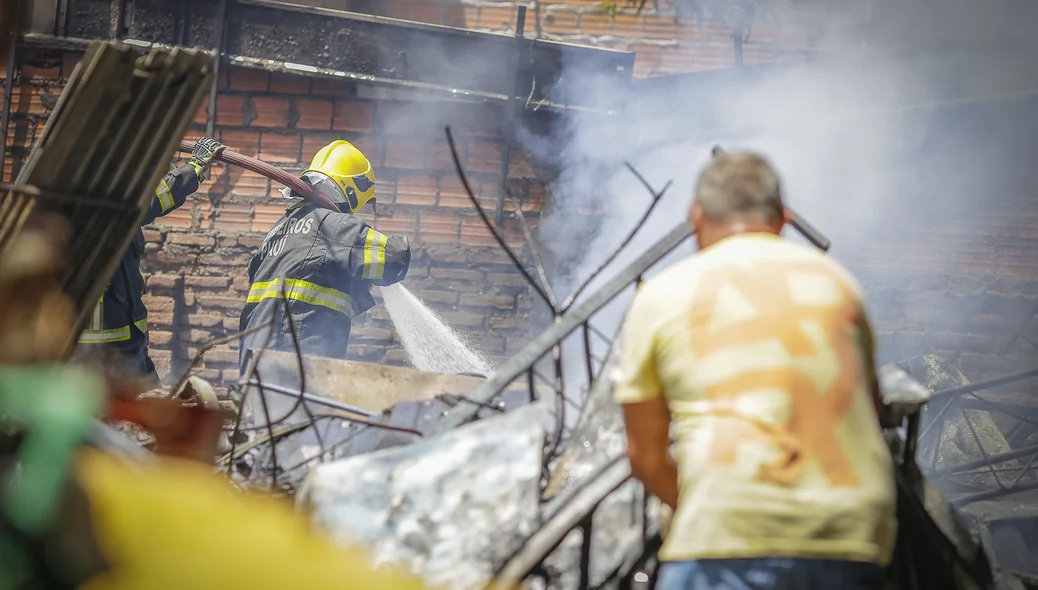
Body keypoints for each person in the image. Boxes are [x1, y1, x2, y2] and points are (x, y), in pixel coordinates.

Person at [615, 151, 896, 590]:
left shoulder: (663, 293)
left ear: (696, 217)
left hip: (725, 543)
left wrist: (701, 510)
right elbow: (872, 409)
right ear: (783, 219)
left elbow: (644, 455)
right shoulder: (839, 283)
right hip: (851, 535)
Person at [238, 140, 411, 373]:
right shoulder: (334, 225)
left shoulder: (278, 231)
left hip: (254, 360)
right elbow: (394, 258)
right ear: (352, 189)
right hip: (297, 362)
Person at [76, 137, 225, 385]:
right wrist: (193, 168)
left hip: (124, 338)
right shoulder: (100, 200)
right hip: (100, 345)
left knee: (144, 408)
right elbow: (149, 201)